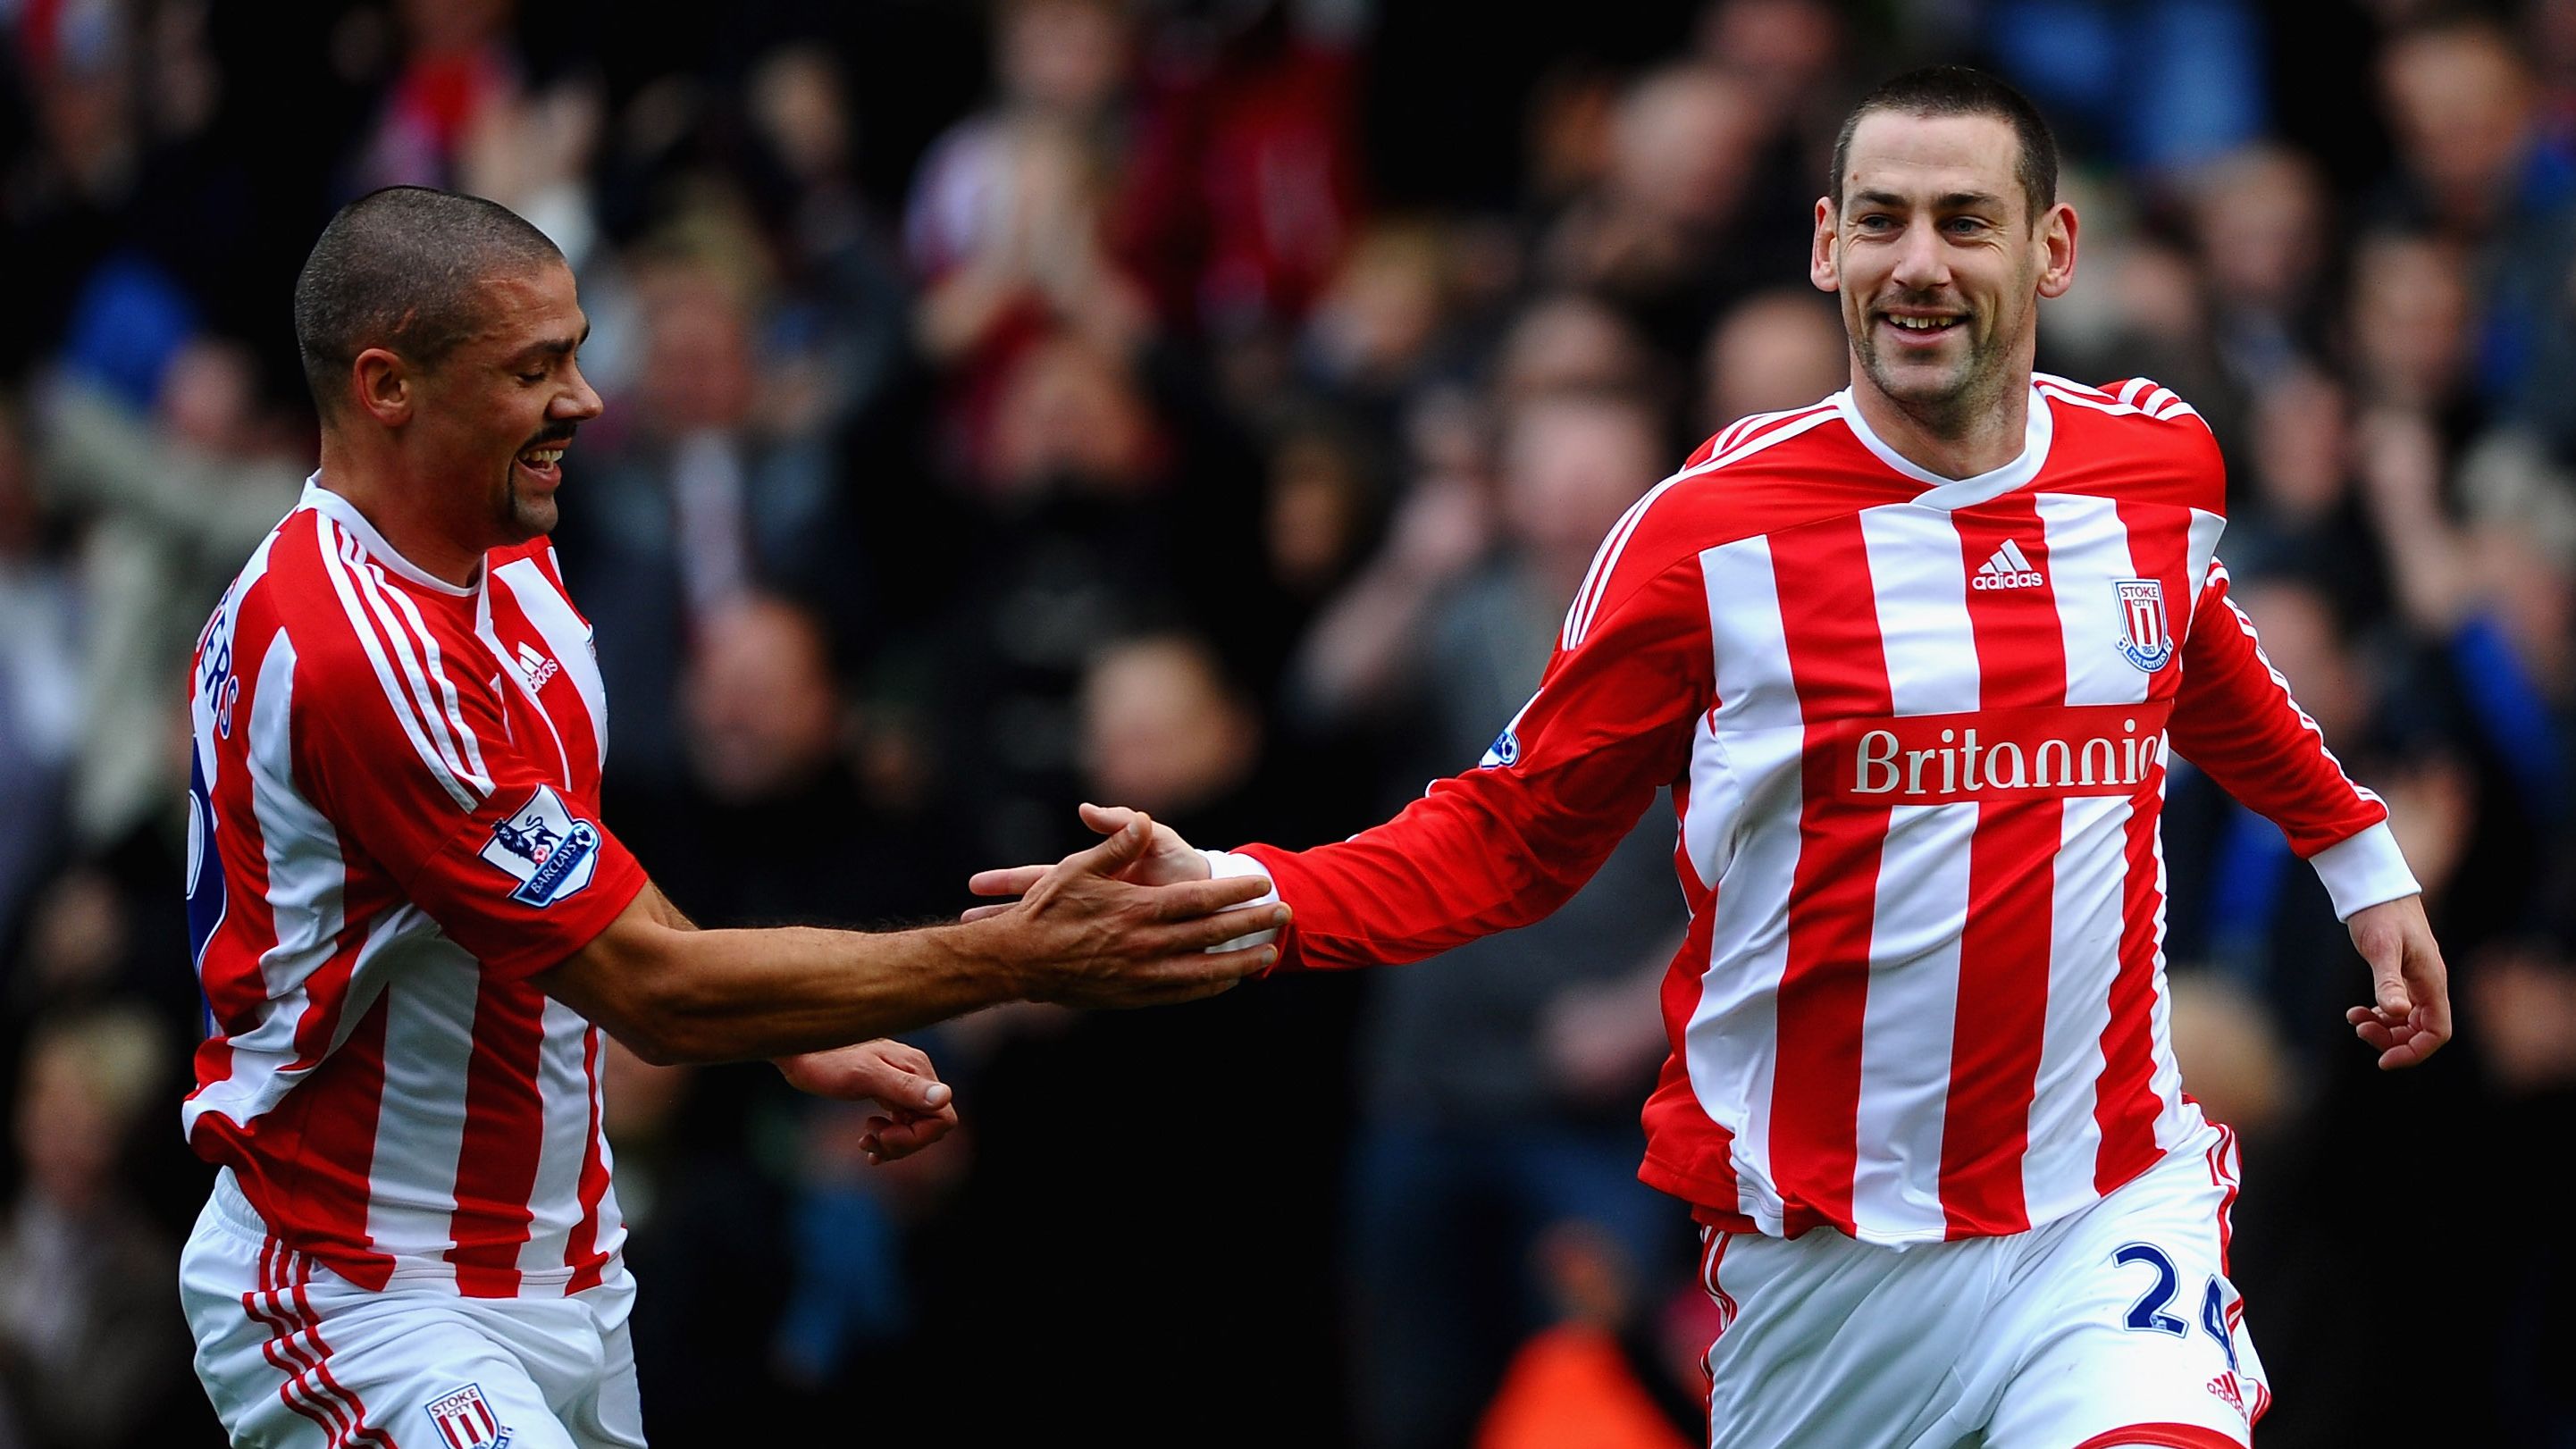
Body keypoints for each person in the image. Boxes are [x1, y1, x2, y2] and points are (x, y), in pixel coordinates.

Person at [973, 68, 2453, 1448]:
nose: (1918, 262)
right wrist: (1248, 886)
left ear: (2053, 251)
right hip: (1823, 1268)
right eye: (1880, 220)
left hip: (2102, 1201)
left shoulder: (2153, 466)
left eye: (1965, 221)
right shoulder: (1705, 541)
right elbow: (1508, 834)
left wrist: (2357, 856)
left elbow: (2192, 650)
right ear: (1825, 246)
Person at [174, 186, 1287, 1449]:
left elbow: (574, 878)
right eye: (534, 369)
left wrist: (780, 1027)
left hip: (558, 1266)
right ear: (388, 387)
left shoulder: (504, 554)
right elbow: (654, 988)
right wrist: (1017, 955)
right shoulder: (351, 651)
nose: (586, 402)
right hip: (367, 1290)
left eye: (581, 354)